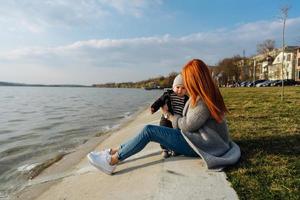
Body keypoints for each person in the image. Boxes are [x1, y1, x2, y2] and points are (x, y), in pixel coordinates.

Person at [87, 59, 241, 175]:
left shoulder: (204, 101)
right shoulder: (204, 95)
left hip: (202, 145)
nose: (185, 82)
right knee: (149, 131)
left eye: (187, 79)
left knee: (149, 130)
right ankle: (112, 151)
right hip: (199, 140)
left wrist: (168, 115)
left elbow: (187, 125)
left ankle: (112, 161)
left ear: (195, 79)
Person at [150, 74, 189, 158]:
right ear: (173, 87)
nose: (180, 90)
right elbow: (159, 101)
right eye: (178, 87)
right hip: (166, 119)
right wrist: (153, 107)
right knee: (164, 131)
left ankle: (175, 149)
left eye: (183, 88)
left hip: (178, 120)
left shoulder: (186, 99)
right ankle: (165, 149)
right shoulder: (168, 94)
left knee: (176, 134)